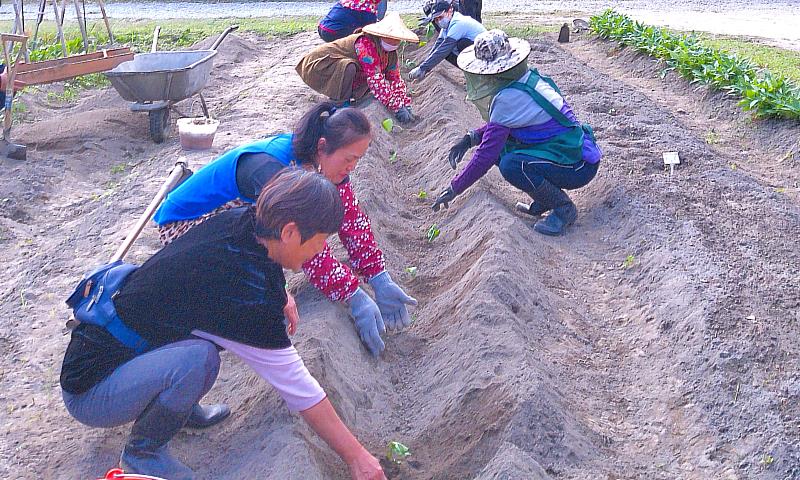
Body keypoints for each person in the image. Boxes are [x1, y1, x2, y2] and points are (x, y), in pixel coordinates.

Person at [60, 169, 388, 480]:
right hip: (92, 388)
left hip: (123, 352)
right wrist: (357, 457)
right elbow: (298, 387)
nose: (321, 251)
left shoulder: (244, 225)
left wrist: (283, 295)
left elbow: (258, 279)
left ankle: (177, 408)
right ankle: (142, 453)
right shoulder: (245, 288)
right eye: (319, 241)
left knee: (199, 350)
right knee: (199, 358)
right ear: (289, 232)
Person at [153, 102, 416, 358]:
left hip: (235, 220)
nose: (352, 168)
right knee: (264, 264)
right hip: (186, 225)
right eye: (349, 159)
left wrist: (379, 276)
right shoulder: (272, 168)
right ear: (323, 147)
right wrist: (353, 295)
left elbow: (350, 218)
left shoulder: (321, 163)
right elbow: (301, 243)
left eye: (358, 160)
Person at [432, 30, 602, 236]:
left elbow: (486, 154)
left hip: (577, 165)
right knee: (504, 147)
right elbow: (504, 126)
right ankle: (544, 198)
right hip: (572, 152)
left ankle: (563, 209)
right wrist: (471, 138)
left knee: (511, 163)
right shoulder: (527, 79)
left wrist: (454, 188)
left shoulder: (507, 97)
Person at [297, 12, 418, 124]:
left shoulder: (390, 53)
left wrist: (404, 103)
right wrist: (396, 107)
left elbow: (395, 79)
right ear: (381, 35)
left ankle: (351, 99)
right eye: (391, 38)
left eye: (397, 39)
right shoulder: (365, 43)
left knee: (358, 70)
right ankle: (340, 103)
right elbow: (375, 80)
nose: (394, 42)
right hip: (320, 64)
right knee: (349, 67)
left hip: (337, 65)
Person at [408, 0, 485, 81]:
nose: (439, 21)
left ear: (450, 11)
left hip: (485, 52)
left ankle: (477, 74)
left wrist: (423, 68)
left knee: (460, 45)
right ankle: (471, 74)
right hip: (477, 50)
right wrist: (422, 67)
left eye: (440, 17)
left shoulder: (458, 23)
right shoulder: (447, 26)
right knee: (447, 53)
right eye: (436, 20)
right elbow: (437, 46)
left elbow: (444, 49)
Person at [318, 0, 388, 43]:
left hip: (323, 27)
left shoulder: (352, 1)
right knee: (365, 38)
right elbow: (370, 30)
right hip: (334, 31)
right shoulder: (368, 8)